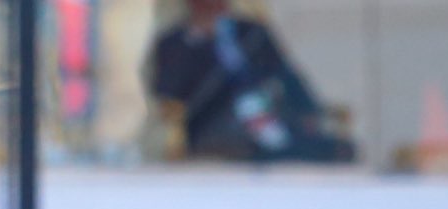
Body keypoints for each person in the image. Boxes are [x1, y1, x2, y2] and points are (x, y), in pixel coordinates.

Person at [146, 0, 354, 163]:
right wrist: (198, 41)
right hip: (216, 121)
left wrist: (308, 111)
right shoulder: (173, 42)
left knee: (336, 147)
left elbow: (285, 75)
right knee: (254, 139)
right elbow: (168, 91)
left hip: (269, 112)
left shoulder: (252, 32)